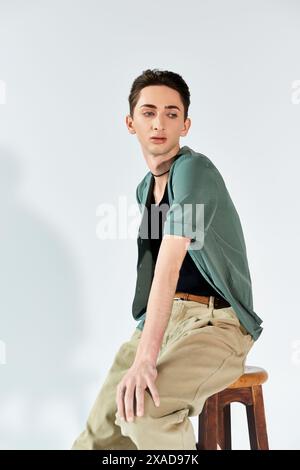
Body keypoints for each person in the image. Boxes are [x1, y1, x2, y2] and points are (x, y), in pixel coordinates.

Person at [71, 68, 263, 450]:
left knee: (144, 411)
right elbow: (151, 266)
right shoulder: (146, 189)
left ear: (185, 124)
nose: (160, 122)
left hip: (216, 324)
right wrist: (143, 338)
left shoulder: (193, 172)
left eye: (172, 114)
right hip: (166, 321)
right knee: (98, 438)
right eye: (149, 112)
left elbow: (170, 261)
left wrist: (145, 358)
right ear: (131, 123)